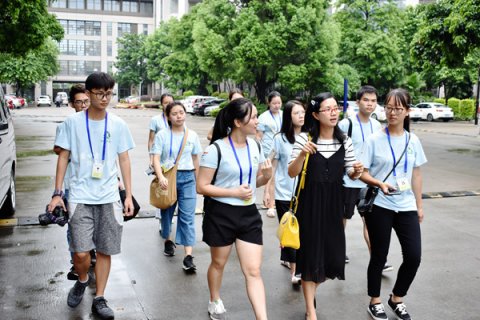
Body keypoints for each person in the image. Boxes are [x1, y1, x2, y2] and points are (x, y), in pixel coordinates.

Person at [48, 72, 135, 320]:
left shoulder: (118, 124)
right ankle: (83, 279)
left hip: (108, 196)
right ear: (87, 93)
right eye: (99, 93)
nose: (105, 98)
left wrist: (128, 195)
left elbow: (124, 158)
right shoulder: (72, 124)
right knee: (81, 252)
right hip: (79, 195)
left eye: (109, 93)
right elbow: (63, 156)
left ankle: (100, 297)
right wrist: (57, 194)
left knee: (106, 250)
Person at [288, 92, 364, 320]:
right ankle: (311, 312)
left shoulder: (345, 140)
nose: (333, 112)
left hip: (334, 205)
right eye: (327, 109)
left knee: (332, 257)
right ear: (315, 114)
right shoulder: (304, 139)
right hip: (309, 206)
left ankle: (310, 293)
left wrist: (356, 171)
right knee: (311, 257)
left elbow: (350, 172)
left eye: (335, 108)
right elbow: (291, 172)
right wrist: (302, 154)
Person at [197, 98, 272, 320]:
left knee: (253, 271)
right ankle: (214, 298)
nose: (258, 121)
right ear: (238, 122)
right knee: (218, 263)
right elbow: (202, 186)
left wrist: (265, 177)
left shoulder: (256, 145)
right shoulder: (215, 150)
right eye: (254, 116)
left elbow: (253, 182)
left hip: (249, 214)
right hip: (221, 214)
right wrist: (233, 192)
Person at [359, 89, 426, 320]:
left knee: (414, 256)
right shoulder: (374, 139)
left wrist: (419, 205)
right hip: (380, 204)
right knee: (379, 254)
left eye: (398, 108)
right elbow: (362, 173)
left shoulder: (413, 140)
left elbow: (416, 174)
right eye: (388, 107)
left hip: (406, 205)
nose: (392, 112)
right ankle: (375, 300)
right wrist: (379, 183)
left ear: (407, 111)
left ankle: (397, 297)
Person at [338, 85, 393, 271]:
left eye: (373, 101)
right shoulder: (346, 124)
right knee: (342, 219)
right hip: (347, 181)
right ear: (358, 102)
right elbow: (337, 150)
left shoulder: (377, 126)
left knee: (370, 222)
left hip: (369, 182)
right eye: (366, 100)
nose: (370, 104)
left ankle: (378, 260)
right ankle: (338, 252)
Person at [53, 84, 97, 281]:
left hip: (96, 183)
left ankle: (91, 252)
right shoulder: (66, 126)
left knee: (95, 223)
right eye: (79, 102)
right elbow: (59, 151)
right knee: (74, 225)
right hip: (74, 184)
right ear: (72, 104)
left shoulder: (99, 124)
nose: (83, 105)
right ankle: (76, 262)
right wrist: (58, 191)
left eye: (86, 101)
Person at [151, 101, 202, 271]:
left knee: (187, 217)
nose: (179, 116)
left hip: (188, 177)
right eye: (174, 113)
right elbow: (156, 158)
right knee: (167, 214)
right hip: (168, 178)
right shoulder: (162, 135)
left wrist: (198, 181)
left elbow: (195, 159)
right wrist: (160, 177)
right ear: (168, 117)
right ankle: (167, 239)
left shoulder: (192, 135)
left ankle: (188, 256)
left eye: (181, 112)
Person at [271, 100, 305, 285]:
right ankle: (295, 271)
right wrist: (268, 193)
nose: (301, 115)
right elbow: (273, 167)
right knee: (290, 232)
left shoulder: (310, 137)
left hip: (304, 194)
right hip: (284, 193)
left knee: (302, 232)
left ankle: (293, 262)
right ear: (288, 117)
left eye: (302, 112)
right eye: (296, 113)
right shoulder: (280, 138)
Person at [148, 93, 174, 222]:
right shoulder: (156, 120)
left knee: (171, 187)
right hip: (160, 159)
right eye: (166, 102)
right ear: (161, 104)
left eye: (171, 102)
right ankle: (161, 217)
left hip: (173, 161)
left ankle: (169, 214)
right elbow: (151, 140)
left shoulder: (176, 119)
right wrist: (151, 159)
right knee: (160, 187)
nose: (168, 105)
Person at [256, 91, 283, 218]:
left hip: (281, 149)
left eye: (279, 103)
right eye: (274, 103)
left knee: (275, 177)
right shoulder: (263, 117)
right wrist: (258, 151)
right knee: (270, 176)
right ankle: (270, 203)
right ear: (269, 103)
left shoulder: (284, 115)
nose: (277, 106)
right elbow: (259, 136)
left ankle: (268, 199)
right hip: (268, 150)